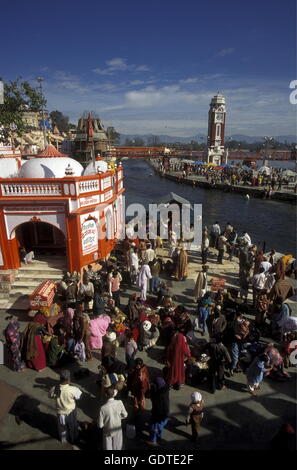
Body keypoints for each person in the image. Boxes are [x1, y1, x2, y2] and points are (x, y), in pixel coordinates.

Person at [49, 369, 82, 444]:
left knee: (62, 428)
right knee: (72, 427)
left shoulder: (54, 388)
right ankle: (74, 439)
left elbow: (49, 395)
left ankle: (63, 440)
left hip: (60, 413)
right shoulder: (72, 389)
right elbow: (79, 396)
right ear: (68, 379)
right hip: (71, 413)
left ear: (60, 378)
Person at [146, 377, 170, 446]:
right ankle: (159, 435)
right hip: (163, 415)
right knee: (159, 427)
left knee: (154, 428)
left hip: (159, 415)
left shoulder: (159, 396)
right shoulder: (164, 391)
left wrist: (157, 418)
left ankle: (152, 440)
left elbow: (160, 408)